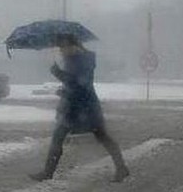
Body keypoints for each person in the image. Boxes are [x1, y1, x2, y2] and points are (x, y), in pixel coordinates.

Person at [30, 34, 130, 182]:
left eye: (63, 47)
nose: (61, 51)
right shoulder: (73, 60)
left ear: (73, 46)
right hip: (73, 106)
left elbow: (79, 83)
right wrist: (63, 86)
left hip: (85, 106)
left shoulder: (84, 60)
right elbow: (73, 83)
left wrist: (58, 74)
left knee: (102, 136)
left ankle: (121, 168)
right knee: (59, 137)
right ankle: (48, 172)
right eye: (60, 48)